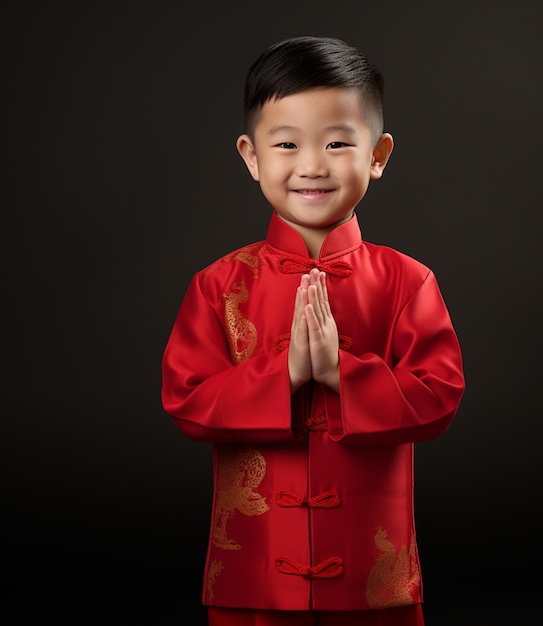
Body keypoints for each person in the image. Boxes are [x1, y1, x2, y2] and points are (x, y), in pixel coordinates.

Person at [161, 35, 465, 626]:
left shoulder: (408, 280)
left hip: (373, 577)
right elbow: (186, 398)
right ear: (251, 157)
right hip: (253, 572)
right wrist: (289, 373)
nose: (311, 165)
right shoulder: (219, 284)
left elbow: (440, 397)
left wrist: (338, 372)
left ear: (377, 154)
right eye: (286, 144)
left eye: (336, 142)